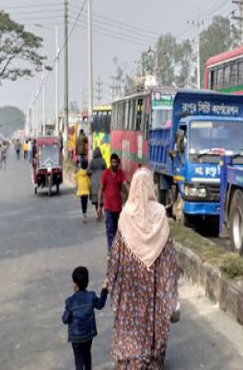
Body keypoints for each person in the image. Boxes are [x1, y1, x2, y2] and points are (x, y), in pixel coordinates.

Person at [106, 169, 178, 369]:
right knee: (152, 316)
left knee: (131, 318)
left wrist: (110, 279)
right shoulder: (160, 214)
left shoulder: (126, 215)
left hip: (130, 282)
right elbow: (169, 254)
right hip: (152, 282)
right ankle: (151, 357)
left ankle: (132, 357)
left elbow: (116, 252)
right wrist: (169, 284)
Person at [62, 266, 108, 370]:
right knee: (87, 356)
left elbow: (65, 320)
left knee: (79, 360)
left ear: (74, 284)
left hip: (76, 338)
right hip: (88, 335)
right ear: (87, 283)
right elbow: (100, 305)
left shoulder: (70, 301)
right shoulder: (91, 296)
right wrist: (104, 290)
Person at [98, 154, 128, 253]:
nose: (114, 164)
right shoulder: (105, 174)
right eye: (113, 162)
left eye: (116, 162)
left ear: (118, 163)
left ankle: (116, 250)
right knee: (110, 230)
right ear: (110, 163)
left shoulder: (120, 173)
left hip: (118, 208)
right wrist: (99, 207)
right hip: (108, 208)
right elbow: (101, 189)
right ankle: (111, 252)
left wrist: (132, 193)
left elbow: (125, 184)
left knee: (117, 231)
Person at [87, 148, 107, 220]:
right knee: (102, 197)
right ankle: (101, 210)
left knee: (95, 199)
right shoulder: (103, 160)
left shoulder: (92, 161)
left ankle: (98, 213)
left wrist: (93, 173)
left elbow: (87, 171)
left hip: (94, 180)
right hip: (102, 179)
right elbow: (106, 169)